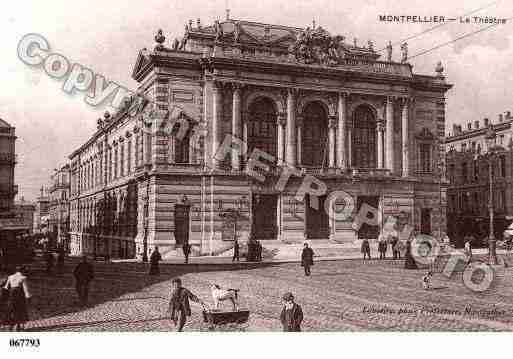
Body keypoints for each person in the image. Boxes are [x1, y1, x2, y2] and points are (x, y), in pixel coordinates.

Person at [3, 266, 31, 331]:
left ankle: (10, 325)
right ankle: (18, 326)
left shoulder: (10, 277)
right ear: (22, 271)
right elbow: (25, 289)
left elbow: (6, 287)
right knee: (19, 310)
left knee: (11, 309)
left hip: (12, 294)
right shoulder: (23, 278)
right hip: (19, 295)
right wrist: (28, 297)